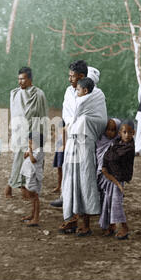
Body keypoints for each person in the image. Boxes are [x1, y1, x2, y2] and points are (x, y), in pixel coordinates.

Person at [59, 74, 108, 237]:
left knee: (85, 181)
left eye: (78, 90)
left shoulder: (96, 99)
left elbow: (101, 122)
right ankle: (72, 219)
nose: (76, 92)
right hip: (72, 145)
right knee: (71, 182)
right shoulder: (72, 98)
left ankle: (86, 224)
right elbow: (69, 117)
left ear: (85, 90)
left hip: (85, 145)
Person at [51, 62, 103, 208]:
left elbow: (96, 117)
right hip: (70, 133)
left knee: (86, 170)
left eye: (72, 76)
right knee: (68, 168)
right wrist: (69, 127)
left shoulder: (95, 95)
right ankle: (65, 197)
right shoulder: (69, 91)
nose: (70, 79)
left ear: (82, 77)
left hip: (87, 137)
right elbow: (67, 111)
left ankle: (87, 203)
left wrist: (80, 122)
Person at [5, 67, 48, 198]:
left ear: (29, 79)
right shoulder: (15, 94)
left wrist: (40, 136)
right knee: (18, 160)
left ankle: (26, 187)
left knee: (31, 162)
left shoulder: (39, 94)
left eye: (23, 79)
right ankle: (12, 185)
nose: (20, 82)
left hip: (33, 134)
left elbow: (43, 115)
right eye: (19, 79)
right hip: (20, 133)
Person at [100, 119, 135, 240]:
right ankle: (111, 225)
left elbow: (113, 156)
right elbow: (107, 156)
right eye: (124, 132)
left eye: (129, 133)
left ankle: (124, 228)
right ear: (120, 133)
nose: (127, 135)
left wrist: (107, 162)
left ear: (133, 133)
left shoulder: (129, 148)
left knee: (116, 203)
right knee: (108, 200)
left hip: (119, 178)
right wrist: (106, 163)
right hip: (111, 176)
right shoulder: (117, 142)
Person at [20, 132, 45, 227]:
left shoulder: (39, 151)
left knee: (35, 197)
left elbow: (33, 160)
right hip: (29, 175)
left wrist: (30, 151)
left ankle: (36, 218)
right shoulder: (32, 149)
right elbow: (25, 156)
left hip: (34, 176)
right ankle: (32, 214)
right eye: (29, 143)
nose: (29, 145)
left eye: (31, 143)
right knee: (32, 197)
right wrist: (28, 152)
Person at [51, 119, 65, 194]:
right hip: (58, 152)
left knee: (62, 170)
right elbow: (56, 140)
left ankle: (62, 186)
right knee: (59, 170)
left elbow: (63, 144)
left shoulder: (64, 133)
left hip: (62, 153)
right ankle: (59, 186)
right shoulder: (59, 133)